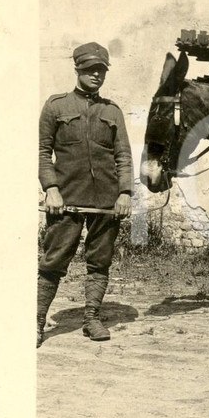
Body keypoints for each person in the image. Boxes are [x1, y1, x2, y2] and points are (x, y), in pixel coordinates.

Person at [37, 42, 133, 348]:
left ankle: (92, 318)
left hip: (107, 200)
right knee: (53, 261)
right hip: (66, 198)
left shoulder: (112, 111)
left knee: (99, 261)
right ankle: (36, 323)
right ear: (77, 69)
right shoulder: (56, 106)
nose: (96, 75)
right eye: (90, 69)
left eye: (101, 70)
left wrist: (125, 192)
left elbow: (124, 156)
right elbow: (42, 152)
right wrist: (51, 188)